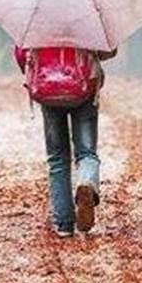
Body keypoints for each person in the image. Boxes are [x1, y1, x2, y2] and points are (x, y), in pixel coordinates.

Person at [14, 46, 117, 237]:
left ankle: (64, 223)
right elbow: (108, 50)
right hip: (83, 88)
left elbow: (21, 53)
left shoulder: (36, 20)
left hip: (47, 89)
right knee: (87, 153)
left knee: (57, 159)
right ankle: (86, 182)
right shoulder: (87, 17)